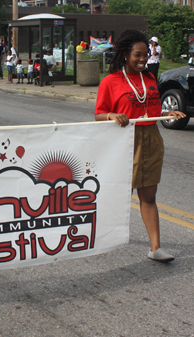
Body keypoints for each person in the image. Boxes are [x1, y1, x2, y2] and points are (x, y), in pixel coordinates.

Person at [94, 29, 185, 263]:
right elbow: (98, 114)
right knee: (116, 194)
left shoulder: (150, 79)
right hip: (124, 140)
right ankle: (94, 237)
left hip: (151, 138)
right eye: (138, 55)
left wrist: (166, 113)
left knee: (149, 194)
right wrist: (112, 115)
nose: (143, 59)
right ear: (125, 54)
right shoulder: (110, 81)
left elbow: (150, 109)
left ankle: (155, 248)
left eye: (146, 54)